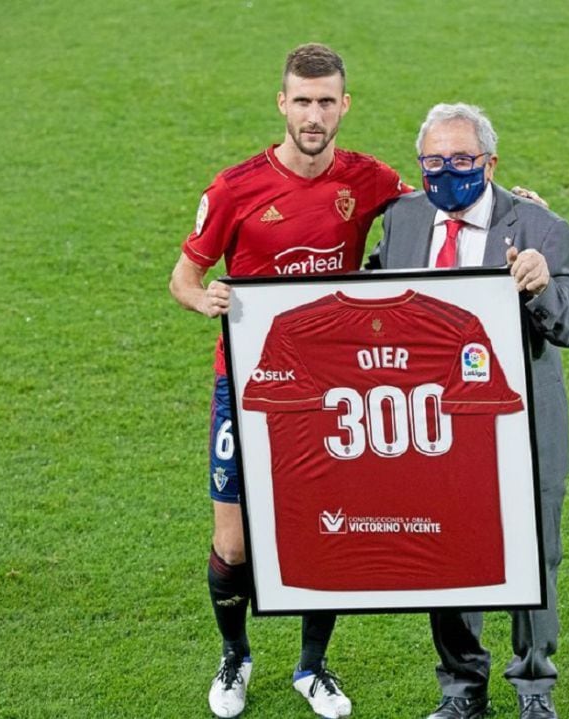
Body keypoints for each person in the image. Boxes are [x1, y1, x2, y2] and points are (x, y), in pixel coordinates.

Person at [168, 43, 411, 719]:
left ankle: (312, 666)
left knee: (324, 531)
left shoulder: (370, 180)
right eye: (302, 101)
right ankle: (236, 654)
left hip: (332, 389)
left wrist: (518, 207)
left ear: (344, 105)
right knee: (235, 542)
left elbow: (443, 215)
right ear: (282, 103)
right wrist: (202, 298)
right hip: (245, 385)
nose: (313, 114)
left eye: (326, 101)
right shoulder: (235, 187)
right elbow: (182, 277)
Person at [368, 102, 569, 719]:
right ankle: (462, 691)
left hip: (522, 424)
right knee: (446, 554)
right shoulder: (402, 220)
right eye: (434, 162)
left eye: (462, 160)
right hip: (433, 424)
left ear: (490, 162)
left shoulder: (542, 228)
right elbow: (375, 298)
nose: (447, 173)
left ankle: (534, 693)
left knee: (533, 557)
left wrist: (542, 286)